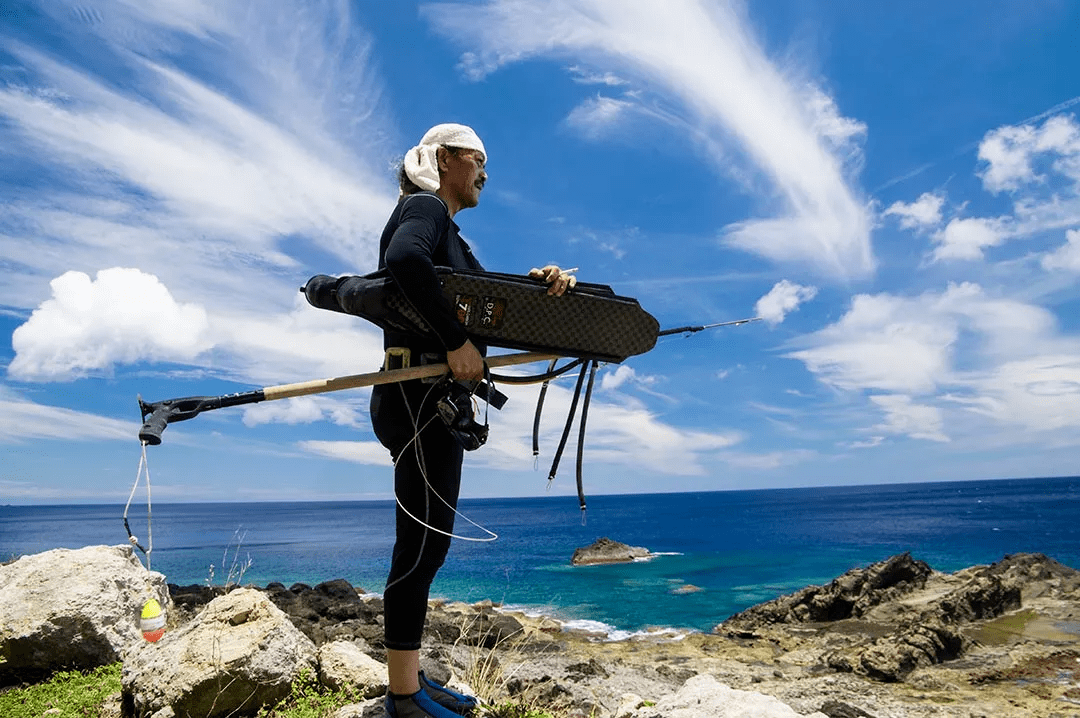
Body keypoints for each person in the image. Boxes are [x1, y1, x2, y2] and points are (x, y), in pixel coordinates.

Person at [370, 123, 576, 718]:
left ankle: (410, 683)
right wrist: (457, 343)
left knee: (430, 545)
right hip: (415, 400)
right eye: (481, 160)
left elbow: (488, 307)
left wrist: (538, 288)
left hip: (433, 403)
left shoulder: (450, 235)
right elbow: (404, 260)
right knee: (419, 546)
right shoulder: (425, 209)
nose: (486, 173)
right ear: (448, 159)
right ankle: (403, 696)